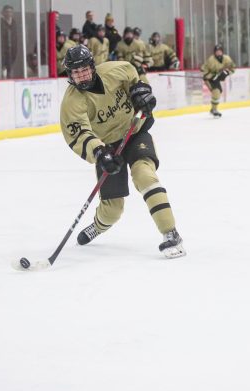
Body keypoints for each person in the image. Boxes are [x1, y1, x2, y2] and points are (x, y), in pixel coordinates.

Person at [59, 45, 185, 258]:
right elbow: (79, 135)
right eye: (75, 72)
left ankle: (171, 234)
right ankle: (98, 226)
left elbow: (136, 78)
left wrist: (142, 91)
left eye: (84, 69)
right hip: (107, 148)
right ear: (70, 75)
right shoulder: (72, 102)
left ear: (92, 66)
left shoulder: (115, 71)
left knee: (144, 174)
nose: (81, 75)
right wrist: (99, 152)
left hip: (133, 132)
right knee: (112, 210)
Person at [200, 44, 235, 118]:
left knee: (218, 92)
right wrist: (211, 76)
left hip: (217, 77)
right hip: (209, 79)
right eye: (217, 51)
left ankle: (213, 109)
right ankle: (214, 110)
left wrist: (227, 73)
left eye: (220, 51)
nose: (218, 53)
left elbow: (233, 68)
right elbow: (203, 70)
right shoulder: (211, 60)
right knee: (216, 92)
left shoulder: (227, 59)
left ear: (222, 52)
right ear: (214, 52)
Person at [0, 4, 18, 78]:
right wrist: (0, 46)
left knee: (10, 66)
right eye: (7, 12)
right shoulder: (0, 23)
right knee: (3, 66)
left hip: (13, 49)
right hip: (3, 50)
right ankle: (4, 78)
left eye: (10, 12)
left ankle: (9, 77)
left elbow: (16, 36)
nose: (9, 13)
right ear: (3, 13)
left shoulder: (14, 23)